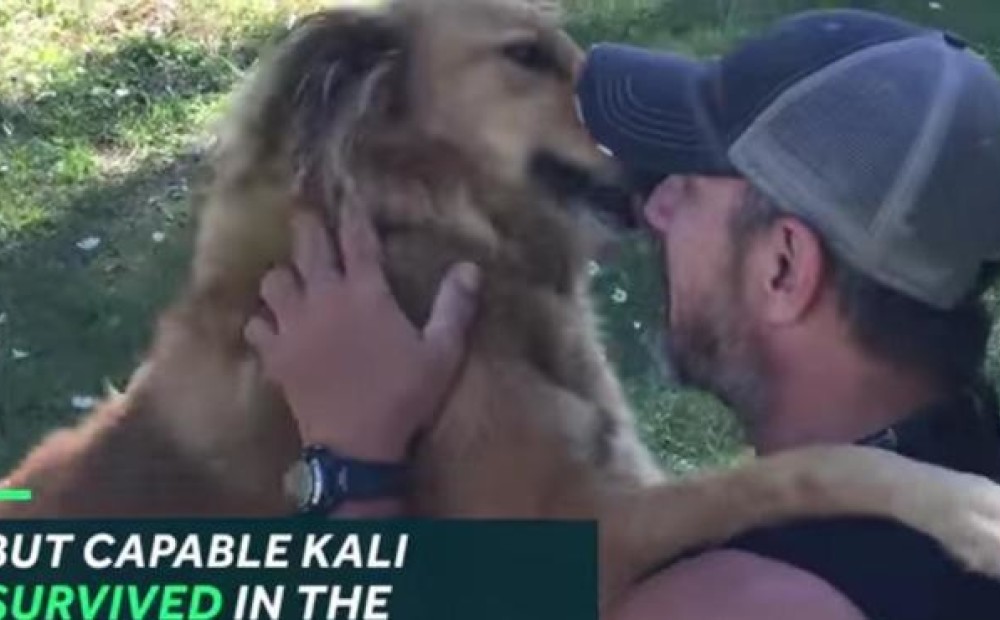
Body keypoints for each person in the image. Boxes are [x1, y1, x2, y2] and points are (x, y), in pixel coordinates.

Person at [244, 8, 1000, 620]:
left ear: (784, 268)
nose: (654, 207)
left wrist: (350, 462)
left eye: (690, 188)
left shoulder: (735, 605)